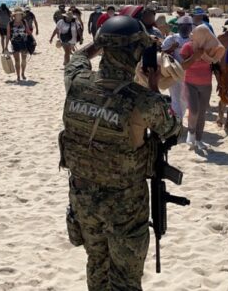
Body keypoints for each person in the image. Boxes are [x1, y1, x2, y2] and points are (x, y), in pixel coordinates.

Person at [59, 16, 181, 291]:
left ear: (104, 48)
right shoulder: (143, 100)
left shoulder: (77, 82)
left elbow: (79, 57)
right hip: (124, 205)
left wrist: (100, 42)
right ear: (135, 53)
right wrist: (153, 87)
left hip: (83, 199)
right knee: (125, 280)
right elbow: (173, 127)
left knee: (97, 263)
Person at [180, 24, 223, 151]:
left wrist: (220, 81)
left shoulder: (211, 48)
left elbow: (215, 63)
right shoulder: (187, 46)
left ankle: (199, 139)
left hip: (206, 84)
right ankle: (191, 132)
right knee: (194, 110)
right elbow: (183, 66)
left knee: (202, 113)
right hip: (190, 82)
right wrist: (195, 56)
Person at [161, 16, 192, 124]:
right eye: (183, 26)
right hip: (174, 73)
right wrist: (172, 48)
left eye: (188, 26)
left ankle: (178, 119)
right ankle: (177, 123)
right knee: (175, 98)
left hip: (190, 75)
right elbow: (162, 54)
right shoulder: (171, 38)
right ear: (178, 27)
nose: (186, 29)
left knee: (184, 100)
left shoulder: (194, 39)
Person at [7, 10, 31, 81]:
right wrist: (5, 46)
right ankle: (18, 76)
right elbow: (8, 35)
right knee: (17, 61)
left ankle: (23, 73)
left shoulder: (24, 22)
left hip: (24, 42)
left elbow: (28, 31)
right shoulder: (10, 23)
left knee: (23, 60)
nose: (19, 16)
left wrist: (32, 40)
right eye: (17, 15)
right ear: (14, 16)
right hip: (14, 43)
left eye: (20, 15)